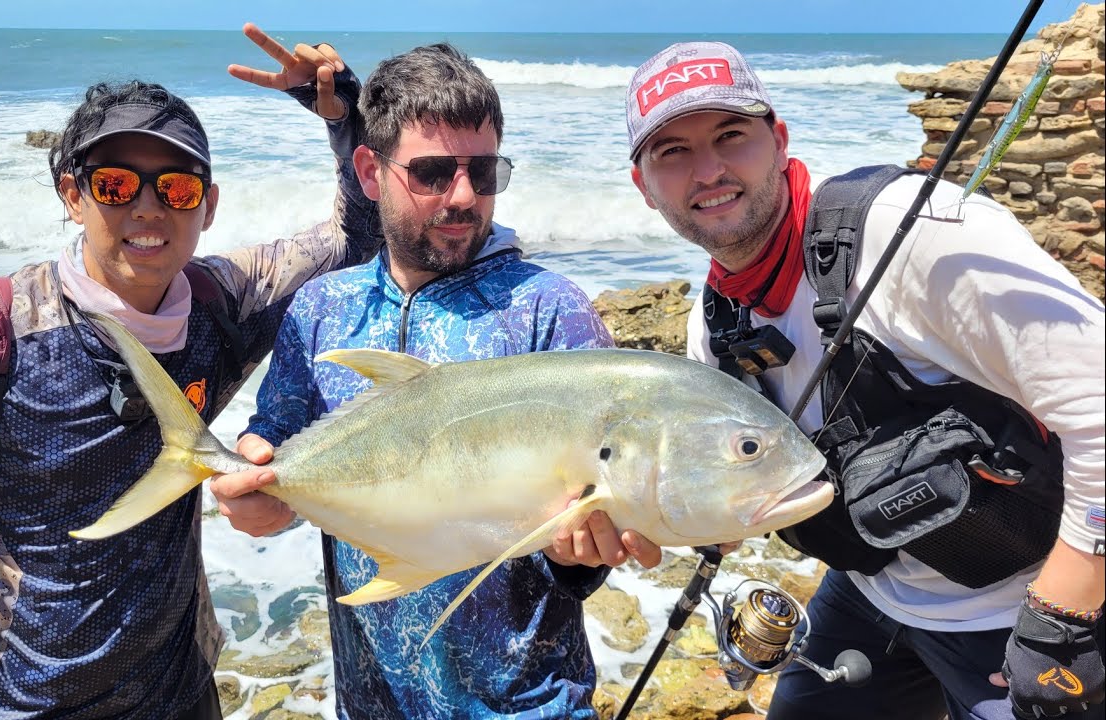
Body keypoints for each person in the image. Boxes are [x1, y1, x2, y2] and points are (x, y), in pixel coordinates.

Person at [0, 27, 382, 719]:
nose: (146, 208)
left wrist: (344, 118)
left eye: (175, 187)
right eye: (115, 184)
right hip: (5, 703)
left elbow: (359, 235)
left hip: (176, 694)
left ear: (207, 207)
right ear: (73, 195)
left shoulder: (221, 304)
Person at [625, 41, 1105, 720]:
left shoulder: (912, 235)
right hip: (872, 593)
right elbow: (724, 498)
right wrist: (624, 517)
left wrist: (1065, 614)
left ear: (780, 140)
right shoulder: (715, 321)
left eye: (731, 135)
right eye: (671, 152)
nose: (708, 170)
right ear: (644, 186)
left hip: (1030, 603)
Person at [209, 43, 663, 718]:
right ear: (370, 171)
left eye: (483, 173)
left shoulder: (549, 311)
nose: (462, 197)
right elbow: (277, 452)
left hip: (529, 708)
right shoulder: (323, 309)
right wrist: (255, 493)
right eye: (431, 173)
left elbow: (581, 547)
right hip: (370, 705)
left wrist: (582, 558)